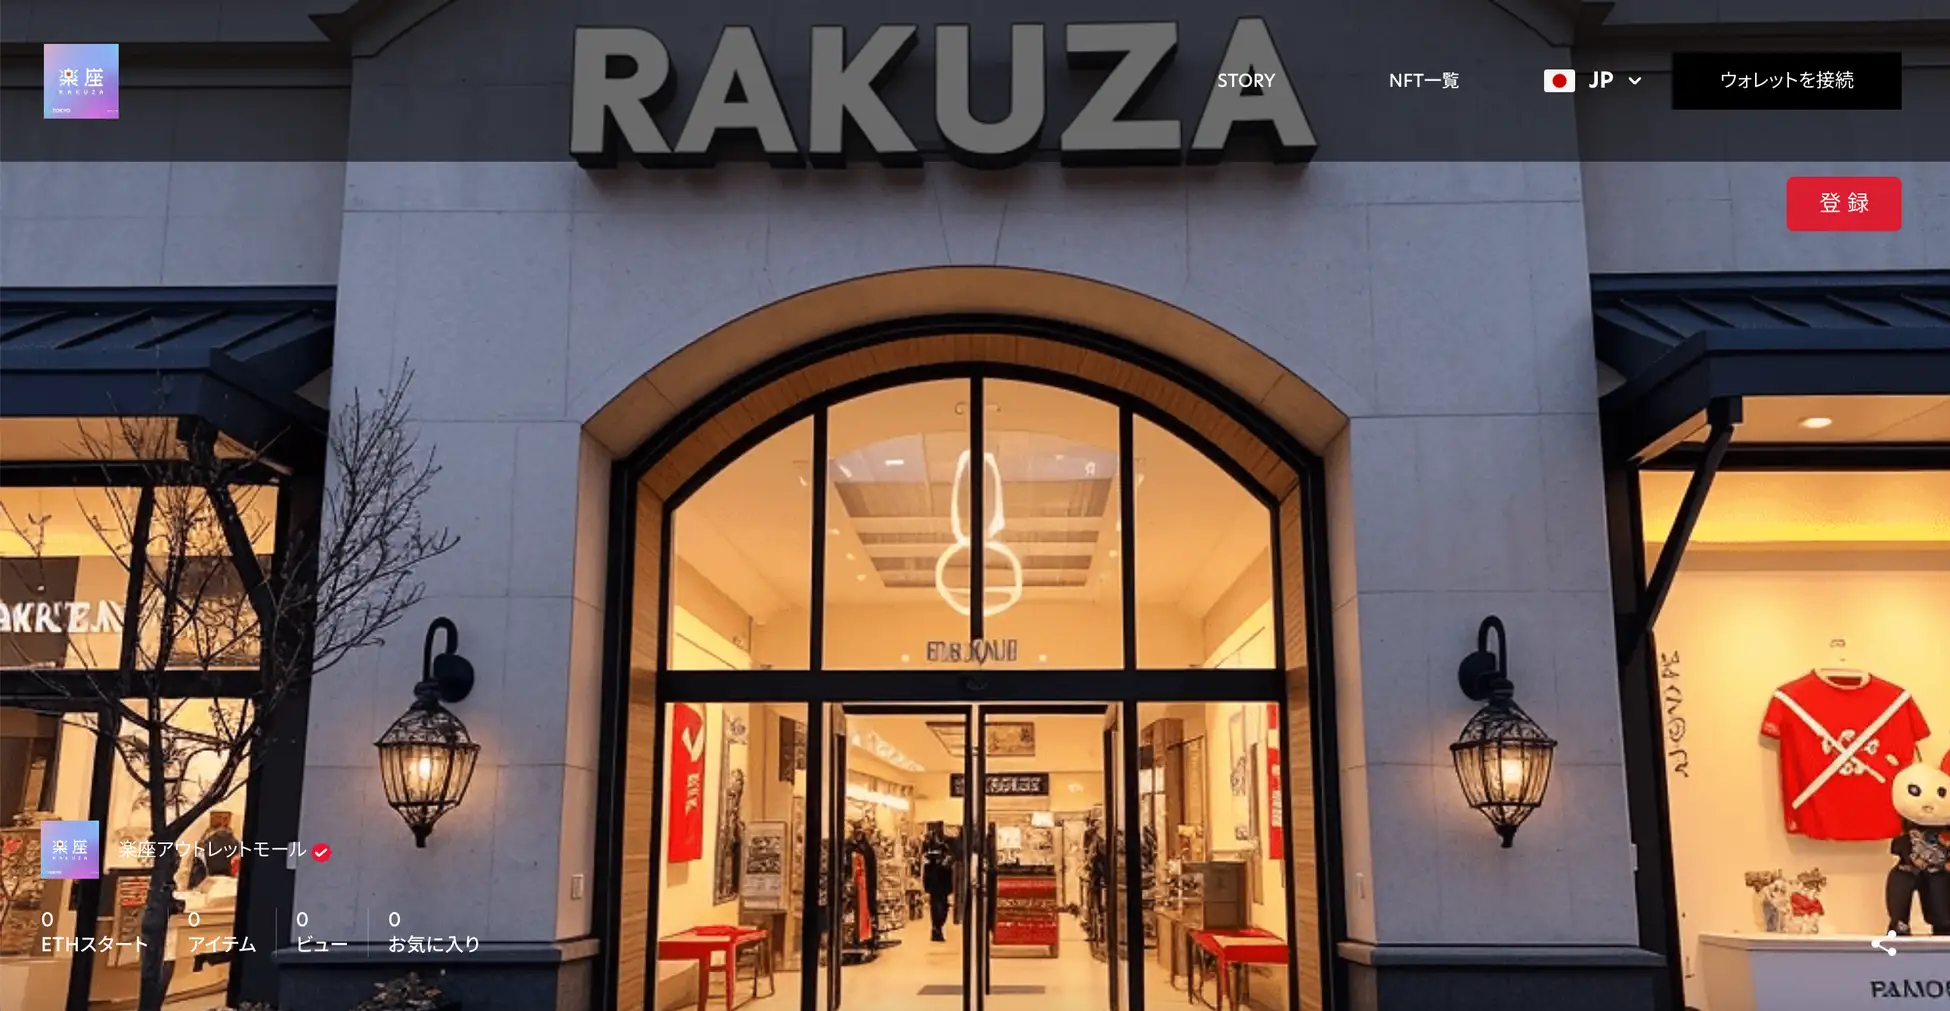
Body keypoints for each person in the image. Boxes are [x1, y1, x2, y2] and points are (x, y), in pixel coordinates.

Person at [921, 821, 957, 942]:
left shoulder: (948, 842)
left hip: (943, 880)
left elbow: (952, 858)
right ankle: (936, 929)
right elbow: (924, 862)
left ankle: (937, 928)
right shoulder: (928, 843)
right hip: (934, 880)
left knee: (943, 907)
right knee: (937, 906)